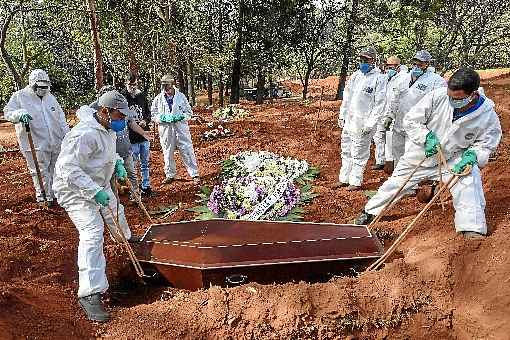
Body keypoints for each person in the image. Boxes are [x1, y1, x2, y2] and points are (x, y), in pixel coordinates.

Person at [355, 68, 502, 240]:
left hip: (455, 158)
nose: (452, 101)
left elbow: (487, 143)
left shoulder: (487, 115)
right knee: (396, 183)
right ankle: (370, 212)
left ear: (473, 94)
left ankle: (472, 227)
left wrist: (474, 155)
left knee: (469, 183)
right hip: (422, 152)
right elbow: (411, 120)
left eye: (458, 99)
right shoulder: (437, 96)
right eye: (450, 96)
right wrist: (426, 137)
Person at [53, 90, 140, 322]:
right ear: (104, 111)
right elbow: (67, 169)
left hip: (98, 183)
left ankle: (125, 237)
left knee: (115, 210)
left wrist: (119, 164)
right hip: (74, 191)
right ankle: (90, 292)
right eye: (120, 115)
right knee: (92, 233)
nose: (123, 120)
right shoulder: (83, 134)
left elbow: (104, 156)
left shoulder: (107, 128)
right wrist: (93, 192)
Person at [3, 69, 70, 206]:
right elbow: (8, 112)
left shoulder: (51, 98)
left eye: (45, 86)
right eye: (40, 87)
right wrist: (18, 115)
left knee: (55, 169)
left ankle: (54, 194)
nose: (43, 89)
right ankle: (43, 197)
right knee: (39, 170)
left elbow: (61, 118)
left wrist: (67, 136)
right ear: (32, 85)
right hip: (34, 142)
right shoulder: (20, 96)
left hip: (55, 141)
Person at [384, 50, 447, 167]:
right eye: (415, 63)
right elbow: (395, 99)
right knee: (398, 153)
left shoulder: (436, 81)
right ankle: (400, 179)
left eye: (420, 64)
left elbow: (439, 104)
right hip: (399, 123)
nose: (417, 66)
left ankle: (412, 184)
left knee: (412, 156)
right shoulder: (404, 79)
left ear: (427, 64)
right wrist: (390, 115)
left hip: (417, 125)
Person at [337, 47, 387, 191]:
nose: (363, 62)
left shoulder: (379, 78)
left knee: (359, 152)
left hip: (363, 123)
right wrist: (342, 115)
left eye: (366, 60)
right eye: (361, 59)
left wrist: (370, 124)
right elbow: (347, 97)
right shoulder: (355, 76)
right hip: (350, 120)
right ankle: (344, 178)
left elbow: (380, 103)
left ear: (373, 60)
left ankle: (356, 181)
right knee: (346, 149)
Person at [92, 86, 150, 202]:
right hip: (110, 154)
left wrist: (143, 133)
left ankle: (136, 196)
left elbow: (131, 123)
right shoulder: (97, 122)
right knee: (111, 179)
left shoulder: (121, 109)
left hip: (125, 151)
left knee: (131, 174)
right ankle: (114, 201)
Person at [151, 74, 200, 185]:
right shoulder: (158, 99)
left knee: (187, 150)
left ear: (173, 85)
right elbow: (153, 114)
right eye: (164, 88)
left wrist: (181, 117)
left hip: (180, 129)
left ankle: (194, 174)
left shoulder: (181, 97)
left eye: (168, 88)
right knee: (167, 152)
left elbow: (189, 112)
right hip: (166, 130)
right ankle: (170, 174)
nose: (166, 90)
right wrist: (162, 118)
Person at [121, 73, 153, 197]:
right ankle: (134, 189)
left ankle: (146, 186)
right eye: (130, 85)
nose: (133, 87)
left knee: (145, 163)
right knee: (132, 165)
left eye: (135, 84)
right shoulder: (123, 98)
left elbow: (148, 113)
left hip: (143, 136)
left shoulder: (141, 96)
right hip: (130, 138)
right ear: (126, 84)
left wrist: (146, 120)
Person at [380, 56, 408, 173]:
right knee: (387, 139)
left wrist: (392, 115)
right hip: (387, 112)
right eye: (387, 67)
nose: (388, 69)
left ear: (398, 67)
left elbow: (398, 99)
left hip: (399, 115)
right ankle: (388, 163)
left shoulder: (404, 78)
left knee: (396, 143)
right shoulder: (388, 78)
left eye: (391, 67)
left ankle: (396, 167)